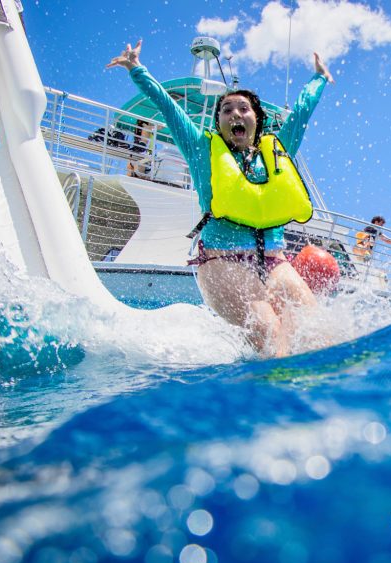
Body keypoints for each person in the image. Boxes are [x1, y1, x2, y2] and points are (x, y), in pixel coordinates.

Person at [107, 40, 334, 357]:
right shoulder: (202, 149)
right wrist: (136, 69)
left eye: (244, 109)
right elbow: (169, 109)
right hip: (220, 261)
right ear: (219, 123)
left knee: (320, 333)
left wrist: (319, 78)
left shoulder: (277, 152)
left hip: (274, 261)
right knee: (268, 330)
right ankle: (273, 400)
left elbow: (301, 113)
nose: (235, 114)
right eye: (227, 111)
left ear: (257, 119)